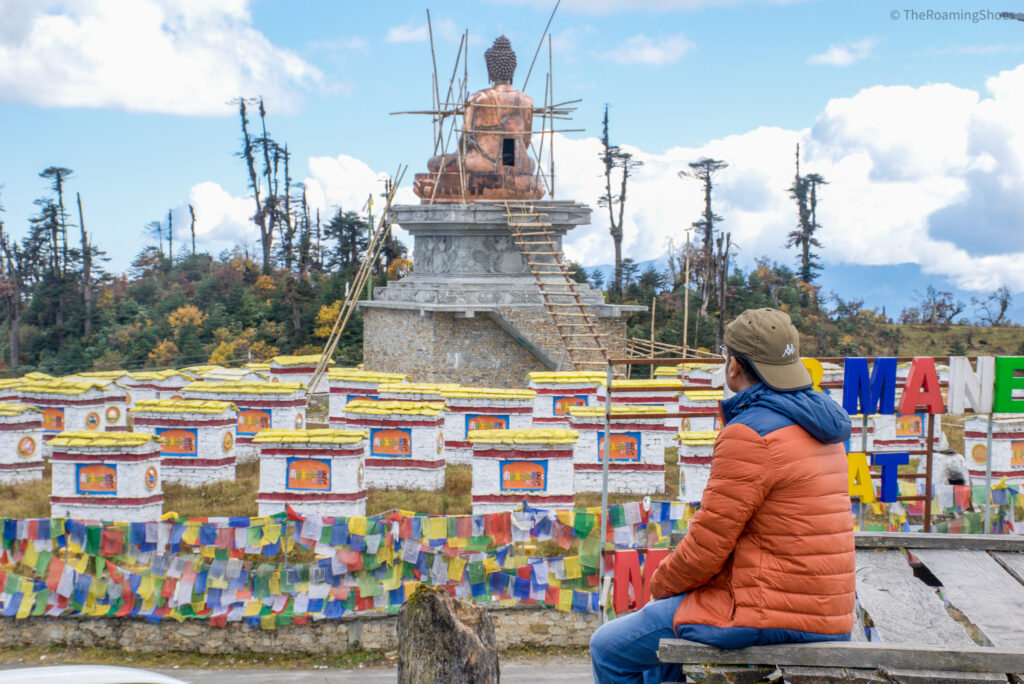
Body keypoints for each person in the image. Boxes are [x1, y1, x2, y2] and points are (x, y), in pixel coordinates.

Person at [590, 308, 855, 684]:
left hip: (766, 612)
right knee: (661, 651)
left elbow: (707, 546)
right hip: (827, 613)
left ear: (733, 367)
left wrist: (660, 586)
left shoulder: (750, 433)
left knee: (609, 647)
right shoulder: (822, 426)